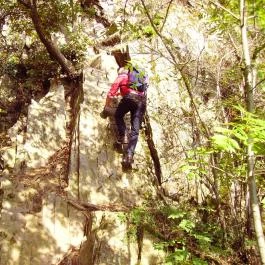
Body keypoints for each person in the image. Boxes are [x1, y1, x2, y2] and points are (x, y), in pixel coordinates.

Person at [102, 65, 147, 167]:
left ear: (120, 72)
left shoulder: (122, 76)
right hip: (141, 102)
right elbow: (138, 93)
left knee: (118, 115)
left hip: (129, 99)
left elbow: (110, 93)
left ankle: (124, 136)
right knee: (135, 130)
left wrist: (106, 106)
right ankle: (129, 156)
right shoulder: (138, 81)